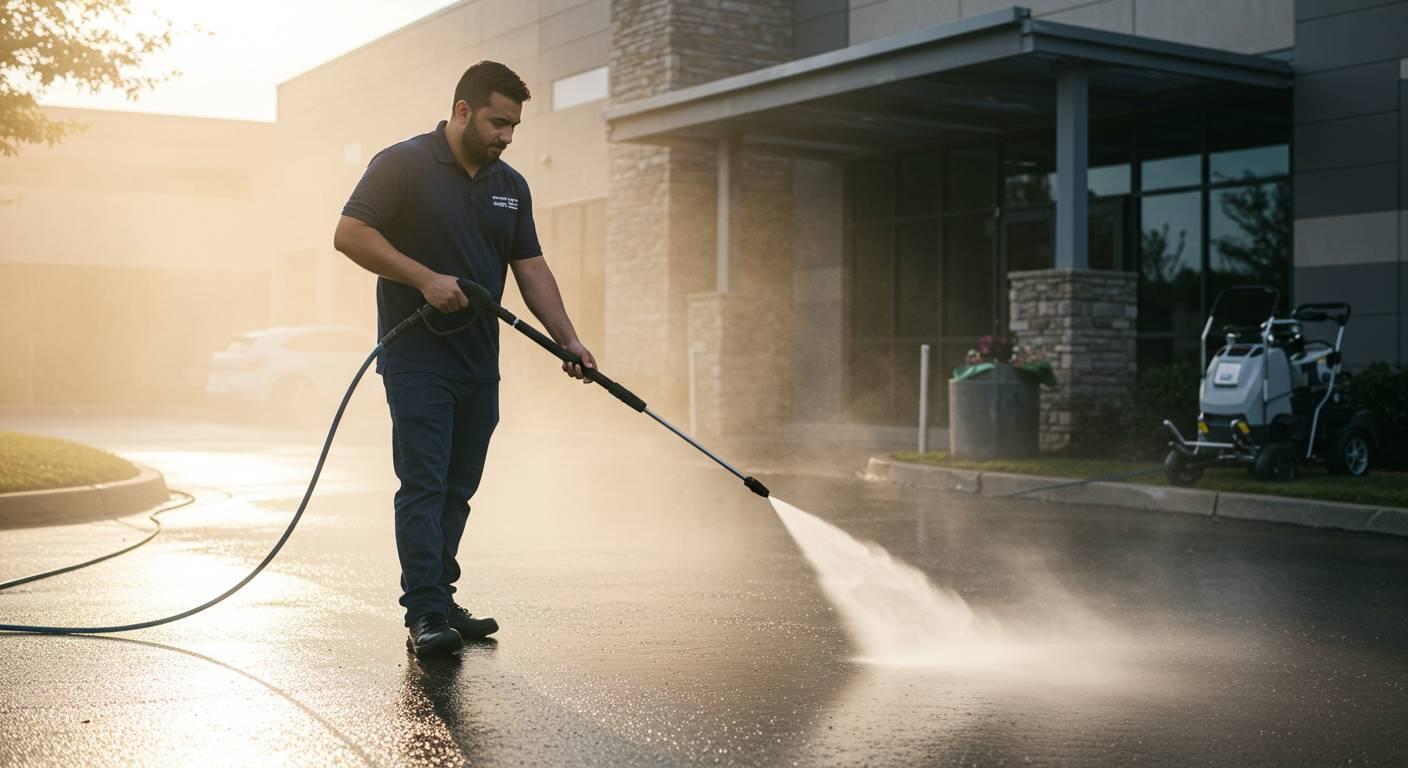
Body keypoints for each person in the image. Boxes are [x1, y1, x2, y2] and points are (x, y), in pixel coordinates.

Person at [334, 61, 596, 658]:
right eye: (498, 122)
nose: (507, 135)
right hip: (417, 357)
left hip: (479, 363)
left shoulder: (512, 185)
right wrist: (425, 278)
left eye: (514, 126)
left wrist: (569, 339)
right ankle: (424, 611)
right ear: (462, 111)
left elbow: (530, 268)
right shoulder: (402, 162)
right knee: (423, 484)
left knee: (458, 488)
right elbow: (350, 233)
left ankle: (443, 598)